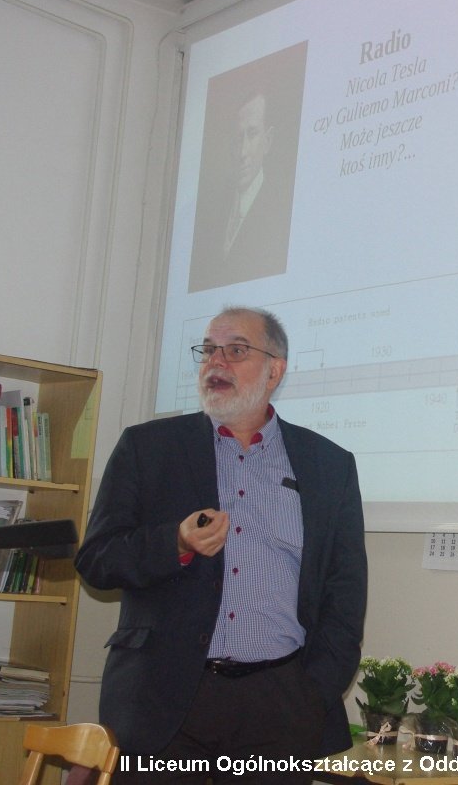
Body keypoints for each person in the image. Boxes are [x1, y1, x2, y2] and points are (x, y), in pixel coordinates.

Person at [75, 306, 367, 783]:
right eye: (209, 350)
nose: (216, 362)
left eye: (235, 350)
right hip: (164, 699)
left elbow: (345, 591)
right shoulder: (149, 448)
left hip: (279, 703)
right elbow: (96, 560)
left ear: (274, 369)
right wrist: (174, 542)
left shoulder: (328, 465)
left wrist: (313, 692)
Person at [188, 88, 295, 292]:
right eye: (238, 138)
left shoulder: (283, 212)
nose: (242, 151)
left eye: (252, 134)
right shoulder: (213, 213)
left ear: (268, 140)